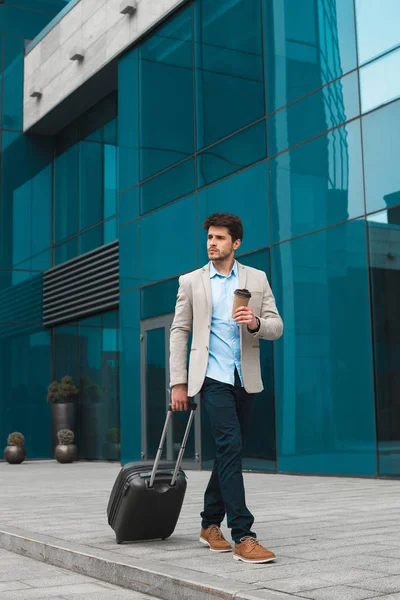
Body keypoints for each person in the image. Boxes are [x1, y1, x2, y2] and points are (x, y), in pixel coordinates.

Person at [169, 212, 283, 564]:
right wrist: (179, 382)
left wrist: (256, 323)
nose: (211, 244)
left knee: (228, 452)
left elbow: (277, 326)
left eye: (219, 238)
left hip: (244, 378)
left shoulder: (257, 278)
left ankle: (208, 524)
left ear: (236, 243)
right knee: (231, 446)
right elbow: (179, 331)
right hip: (212, 378)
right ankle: (243, 535)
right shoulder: (191, 282)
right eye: (209, 238)